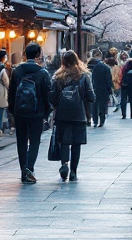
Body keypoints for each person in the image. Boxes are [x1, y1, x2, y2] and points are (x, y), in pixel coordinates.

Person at [8, 42, 53, 184]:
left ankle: (23, 170)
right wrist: (47, 112)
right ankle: (29, 168)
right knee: (34, 141)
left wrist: (12, 110)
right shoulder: (43, 73)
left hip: (19, 112)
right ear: (38, 54)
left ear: (25, 54)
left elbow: (11, 92)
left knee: (21, 141)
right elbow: (48, 95)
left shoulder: (17, 71)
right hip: (37, 112)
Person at [51, 51, 95, 182]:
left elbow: (52, 97)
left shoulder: (57, 76)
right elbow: (91, 97)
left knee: (64, 141)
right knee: (76, 143)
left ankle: (64, 165)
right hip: (79, 113)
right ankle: (74, 171)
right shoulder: (83, 76)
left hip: (62, 114)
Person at [88, 50, 112, 127]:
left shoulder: (87, 66)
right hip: (103, 89)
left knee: (94, 106)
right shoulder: (105, 67)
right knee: (102, 106)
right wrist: (110, 90)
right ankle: (101, 120)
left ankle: (94, 120)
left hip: (92, 88)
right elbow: (108, 80)